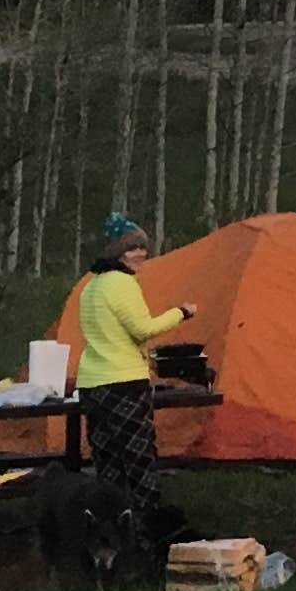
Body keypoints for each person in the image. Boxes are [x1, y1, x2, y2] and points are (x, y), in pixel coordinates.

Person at [72, 214, 189, 521]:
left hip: (92, 386)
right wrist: (181, 312)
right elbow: (142, 329)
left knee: (107, 461)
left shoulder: (91, 286)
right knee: (139, 459)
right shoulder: (121, 284)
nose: (140, 254)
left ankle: (109, 526)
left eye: (142, 247)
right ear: (116, 252)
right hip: (124, 384)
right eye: (132, 248)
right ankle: (148, 526)